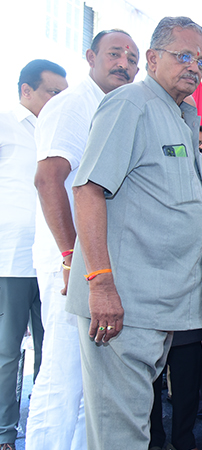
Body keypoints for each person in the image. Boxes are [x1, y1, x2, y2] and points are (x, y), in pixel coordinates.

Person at [65, 16, 202, 450]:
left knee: (132, 432)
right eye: (183, 55)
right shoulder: (131, 103)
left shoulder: (181, 116)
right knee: (121, 435)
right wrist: (100, 284)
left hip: (158, 308)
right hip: (122, 306)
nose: (194, 66)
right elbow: (88, 190)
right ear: (152, 58)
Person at [28, 29, 139, 450]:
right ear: (90, 57)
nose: (124, 64)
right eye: (115, 54)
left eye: (132, 59)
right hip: (72, 262)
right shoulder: (73, 105)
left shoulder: (113, 106)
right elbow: (48, 180)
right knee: (63, 378)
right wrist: (71, 256)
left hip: (95, 265)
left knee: (86, 386)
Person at [0, 59, 67, 450]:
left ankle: (47, 432)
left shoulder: (63, 130)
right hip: (11, 258)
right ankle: (5, 434)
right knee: (7, 353)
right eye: (51, 92)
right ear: (26, 91)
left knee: (52, 352)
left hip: (56, 258)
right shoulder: (6, 124)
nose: (59, 100)